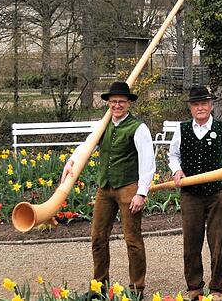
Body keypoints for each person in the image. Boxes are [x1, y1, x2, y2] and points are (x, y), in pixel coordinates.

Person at [61, 81, 155, 297]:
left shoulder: (138, 128)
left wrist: (142, 192)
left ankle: (137, 289)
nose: (117, 105)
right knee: (98, 237)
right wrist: (71, 161)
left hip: (128, 188)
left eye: (121, 101)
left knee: (132, 239)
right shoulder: (103, 125)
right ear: (108, 104)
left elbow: (148, 162)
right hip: (105, 188)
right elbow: (87, 145)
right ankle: (99, 288)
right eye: (113, 102)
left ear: (129, 103)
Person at [167, 86, 222, 300]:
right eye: (196, 104)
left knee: (218, 241)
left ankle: (217, 288)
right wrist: (177, 170)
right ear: (190, 108)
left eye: (204, 103)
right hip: (190, 194)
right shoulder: (182, 129)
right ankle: (194, 286)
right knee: (191, 241)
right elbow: (173, 156)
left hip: (216, 194)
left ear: (211, 105)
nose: (200, 108)